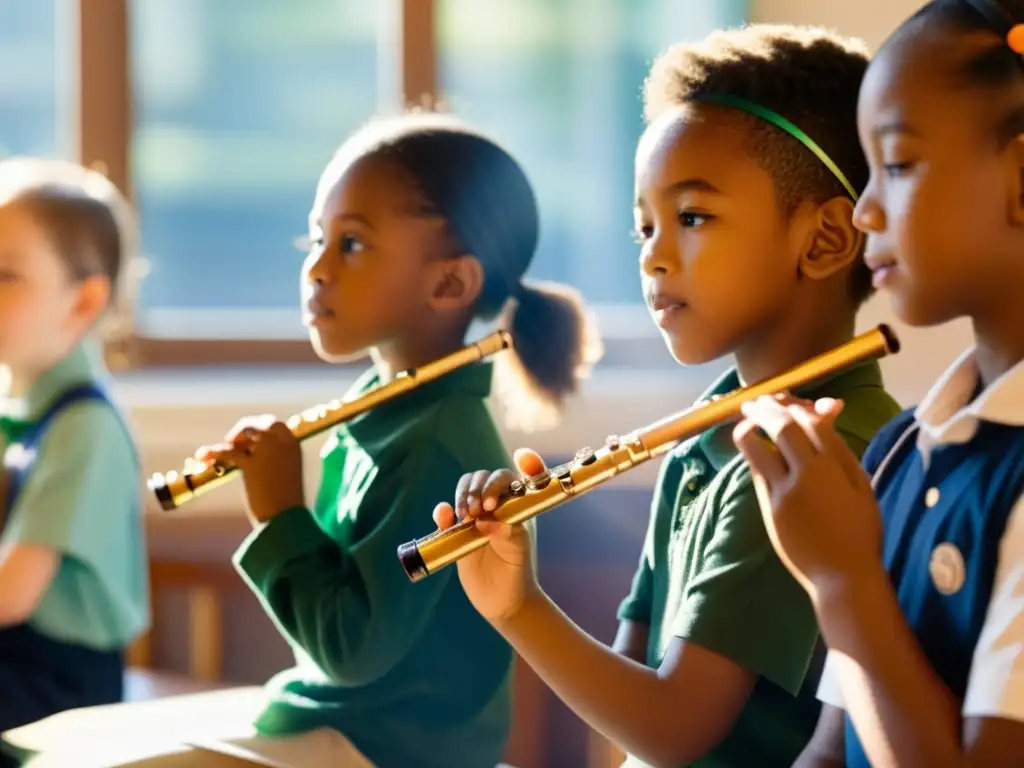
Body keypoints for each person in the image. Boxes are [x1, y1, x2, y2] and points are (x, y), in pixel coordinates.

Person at [434, 24, 904, 768]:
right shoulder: (706, 434)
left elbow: (674, 727)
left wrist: (521, 610)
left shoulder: (805, 448)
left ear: (823, 241)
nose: (653, 253)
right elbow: (635, 701)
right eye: (643, 226)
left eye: (691, 217)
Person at [148, 112, 600, 768]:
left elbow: (350, 650)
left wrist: (277, 512)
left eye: (352, 244)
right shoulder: (380, 405)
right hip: (336, 721)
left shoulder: (438, 444)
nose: (318, 270)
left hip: (392, 749)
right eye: (316, 242)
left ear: (449, 283)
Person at [732, 2, 1024, 766]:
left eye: (895, 164)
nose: (864, 212)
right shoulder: (900, 448)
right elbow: (835, 750)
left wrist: (840, 580)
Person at [0, 158, 149, 766]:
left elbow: (11, 594)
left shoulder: (82, 426)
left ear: (84, 300)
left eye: (5, 274)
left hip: (62, 687)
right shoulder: (21, 413)